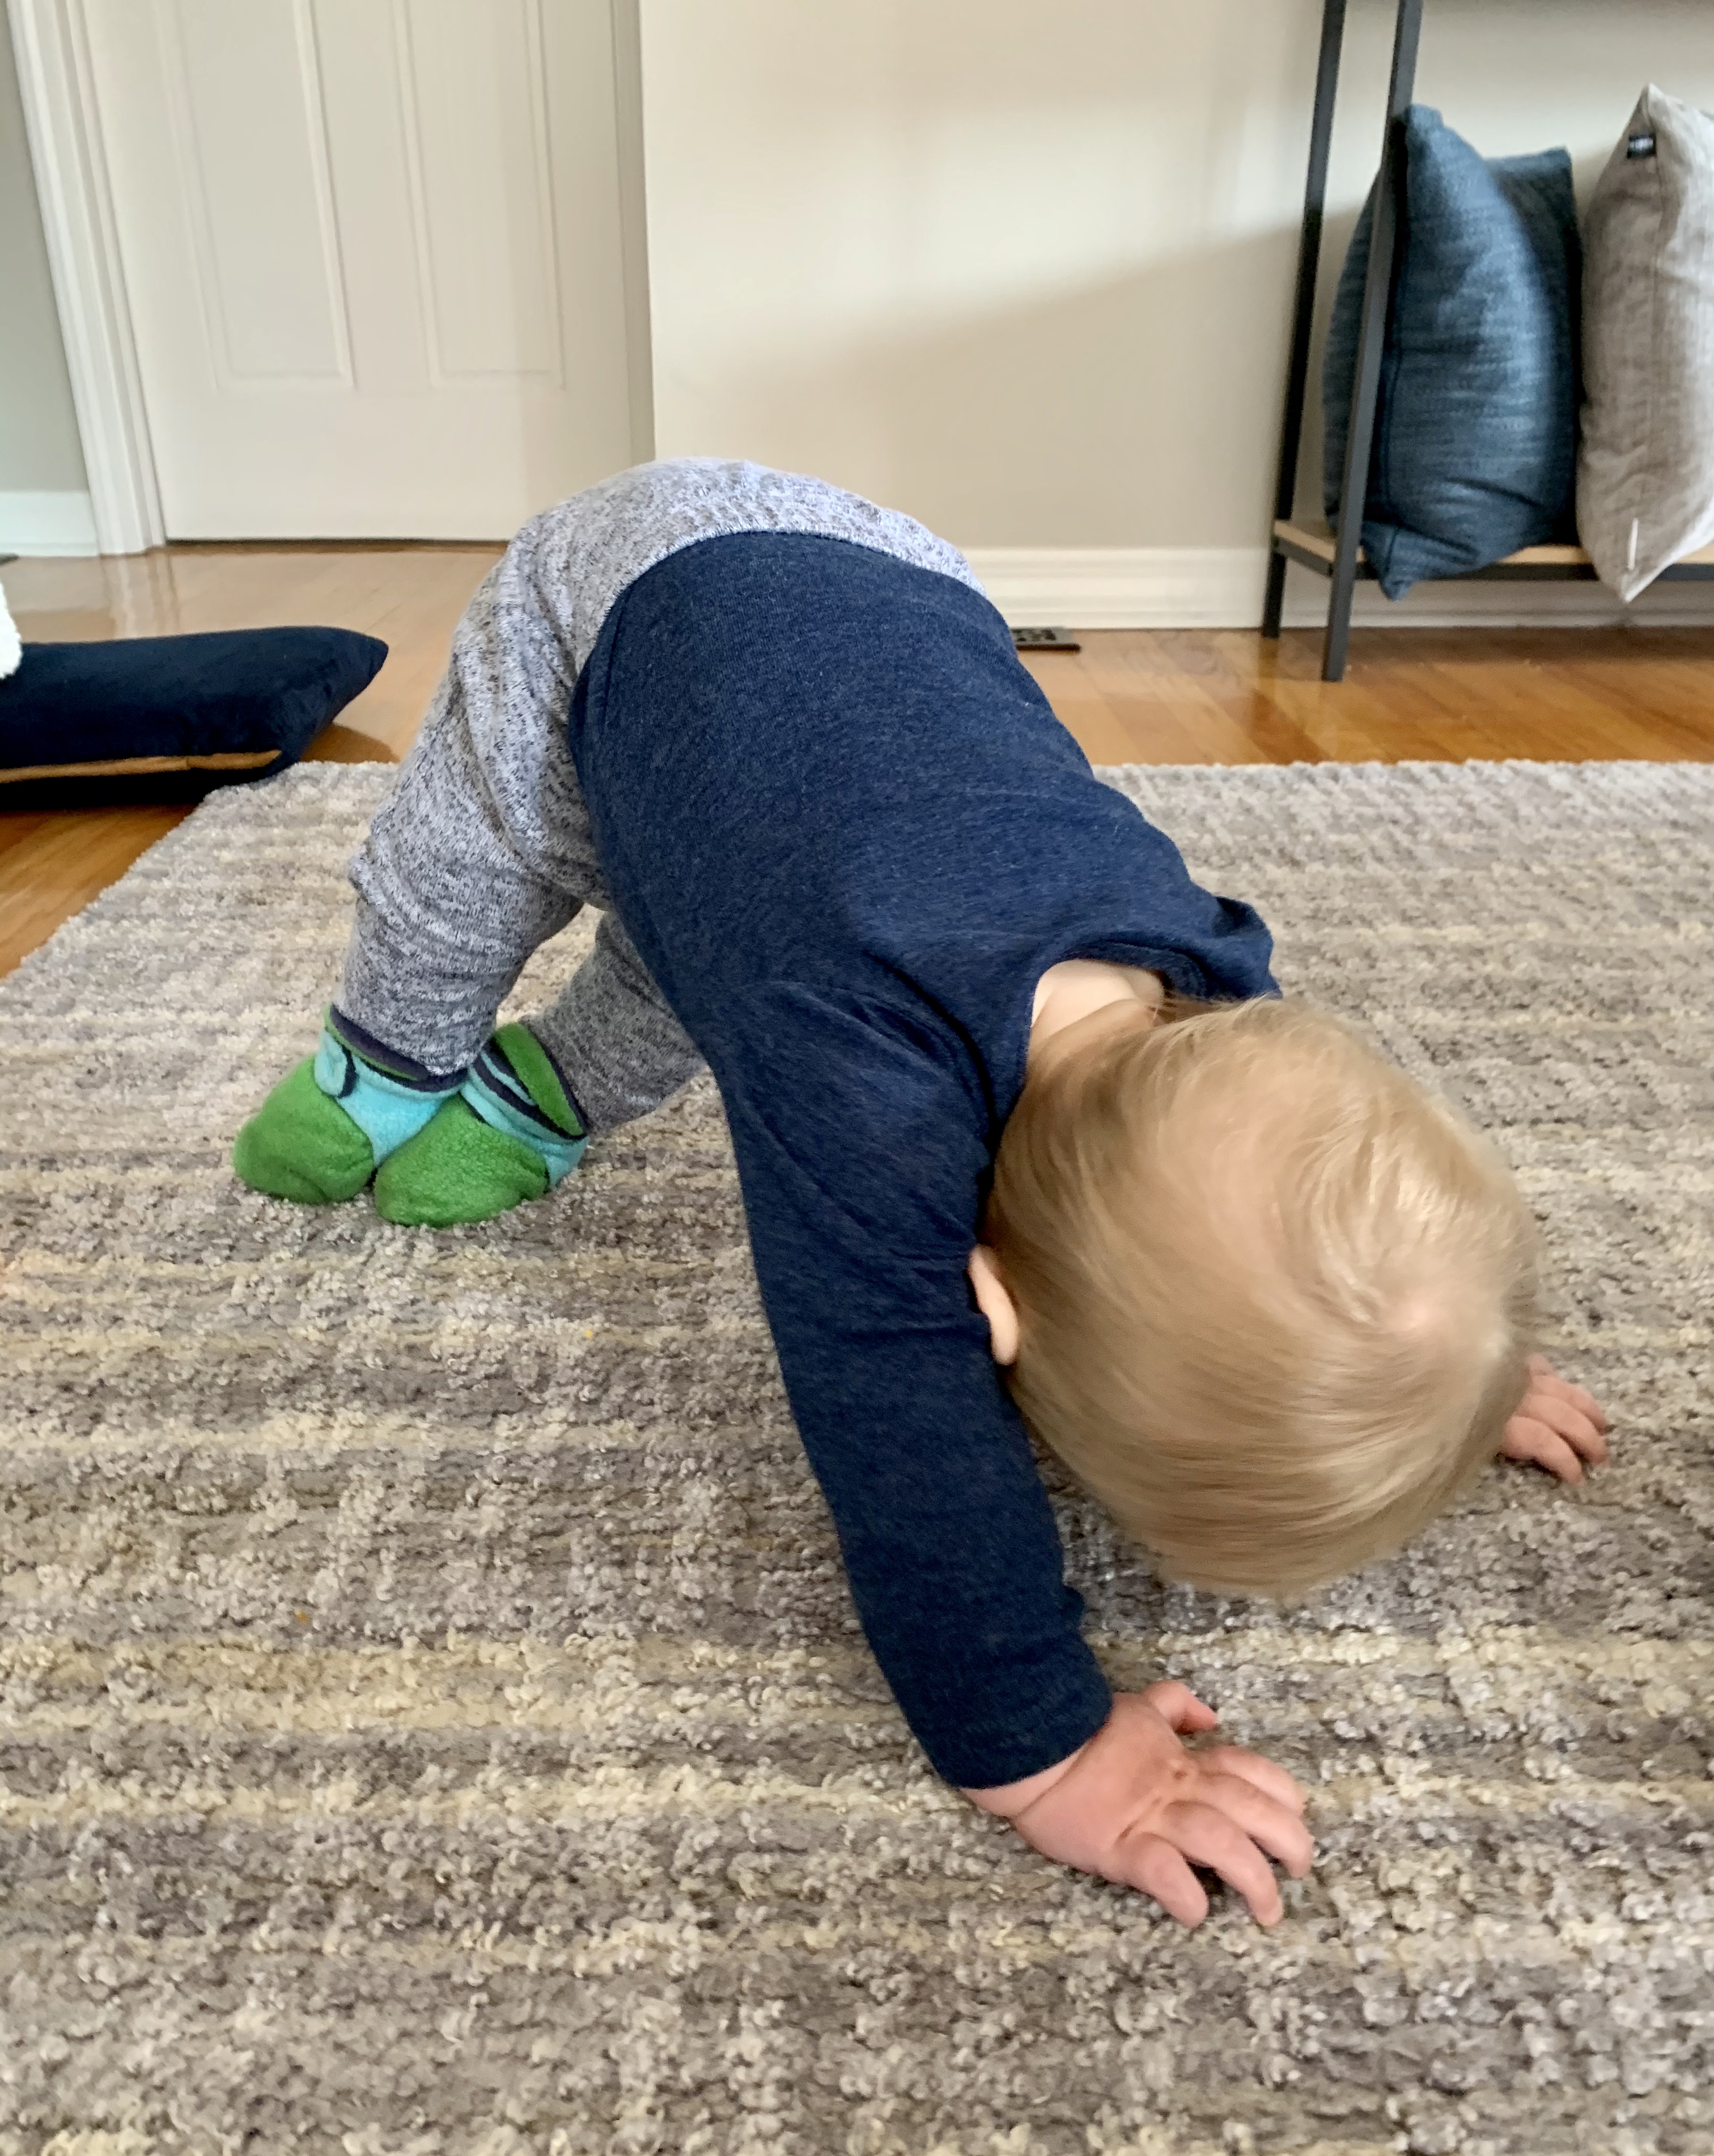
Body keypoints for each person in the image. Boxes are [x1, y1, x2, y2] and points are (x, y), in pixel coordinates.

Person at [234, 459, 1609, 1928]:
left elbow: (1318, 1191)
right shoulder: (868, 1093)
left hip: (898, 588)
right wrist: (1045, 1746)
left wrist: (1435, 1354)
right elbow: (897, 1419)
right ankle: (378, 1071)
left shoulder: (1219, 982)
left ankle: (544, 1090)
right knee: (477, 872)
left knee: (711, 928)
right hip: (611, 599)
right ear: (988, 1308)